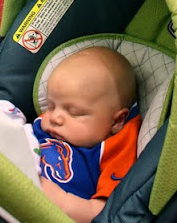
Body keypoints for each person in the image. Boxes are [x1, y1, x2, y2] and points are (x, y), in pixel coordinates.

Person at [34, 47, 141, 223]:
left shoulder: (114, 149)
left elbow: (106, 212)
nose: (54, 117)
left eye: (74, 112)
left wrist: (63, 202)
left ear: (116, 121)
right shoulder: (45, 126)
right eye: (51, 106)